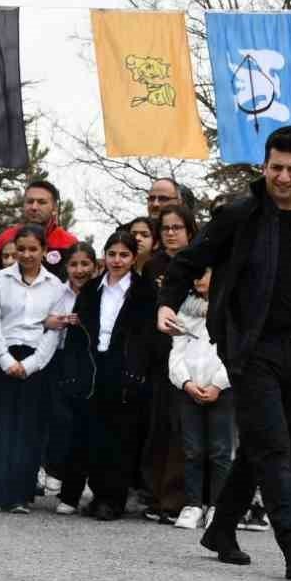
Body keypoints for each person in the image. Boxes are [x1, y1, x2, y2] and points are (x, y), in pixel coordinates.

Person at [157, 125, 291, 581]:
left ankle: (221, 531)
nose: (283, 177)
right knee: (275, 445)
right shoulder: (239, 216)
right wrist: (166, 304)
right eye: (276, 167)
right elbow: (189, 261)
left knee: (257, 443)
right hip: (247, 346)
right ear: (264, 166)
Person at [72, 231, 158, 521]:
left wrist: (138, 369)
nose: (117, 260)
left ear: (134, 258)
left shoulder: (145, 291)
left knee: (121, 436)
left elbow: (147, 336)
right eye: (112, 254)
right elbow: (80, 329)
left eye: (124, 255)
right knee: (95, 433)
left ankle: (113, 499)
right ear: (104, 256)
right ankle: (98, 494)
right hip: (96, 364)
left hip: (125, 367)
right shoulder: (92, 288)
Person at [0, 225, 63, 512]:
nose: (27, 255)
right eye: (21, 249)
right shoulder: (0, 279)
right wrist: (4, 359)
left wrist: (30, 365)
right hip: (2, 358)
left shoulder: (55, 285)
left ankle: (19, 495)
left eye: (33, 249)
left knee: (27, 430)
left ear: (44, 250)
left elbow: (54, 330)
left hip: (35, 362)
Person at [140, 205, 200, 523]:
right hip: (159, 356)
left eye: (177, 227)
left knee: (183, 431)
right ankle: (153, 493)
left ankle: (176, 499)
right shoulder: (153, 266)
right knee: (158, 427)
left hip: (193, 356)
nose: (171, 233)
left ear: (190, 230)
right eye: (165, 228)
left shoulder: (200, 263)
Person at [168, 268, 231, 531]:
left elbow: (237, 351)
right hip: (189, 389)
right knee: (192, 449)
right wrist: (186, 382)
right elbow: (176, 353)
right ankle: (193, 504)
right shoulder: (184, 312)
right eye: (193, 274)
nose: (197, 279)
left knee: (220, 450)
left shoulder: (232, 309)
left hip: (222, 389)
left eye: (203, 274)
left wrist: (218, 384)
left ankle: (218, 506)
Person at [44, 241, 98, 516]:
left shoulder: (99, 291)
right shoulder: (57, 291)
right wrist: (52, 322)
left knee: (82, 427)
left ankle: (72, 491)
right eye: (74, 264)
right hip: (57, 359)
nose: (79, 270)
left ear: (95, 266)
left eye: (85, 264)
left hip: (89, 362)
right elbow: (40, 319)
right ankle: (54, 471)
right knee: (59, 421)